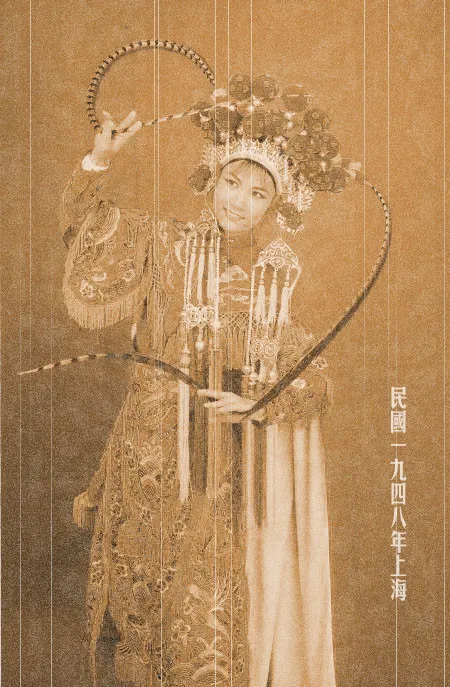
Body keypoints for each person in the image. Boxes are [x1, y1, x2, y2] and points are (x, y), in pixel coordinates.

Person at [62, 75, 341, 687]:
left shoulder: (268, 283)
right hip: (139, 462)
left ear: (276, 206)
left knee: (200, 631)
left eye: (258, 194)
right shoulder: (162, 243)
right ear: (212, 178)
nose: (238, 202)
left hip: (216, 477)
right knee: (133, 620)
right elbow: (86, 231)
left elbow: (315, 377)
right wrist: (99, 160)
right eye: (231, 182)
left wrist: (260, 403)